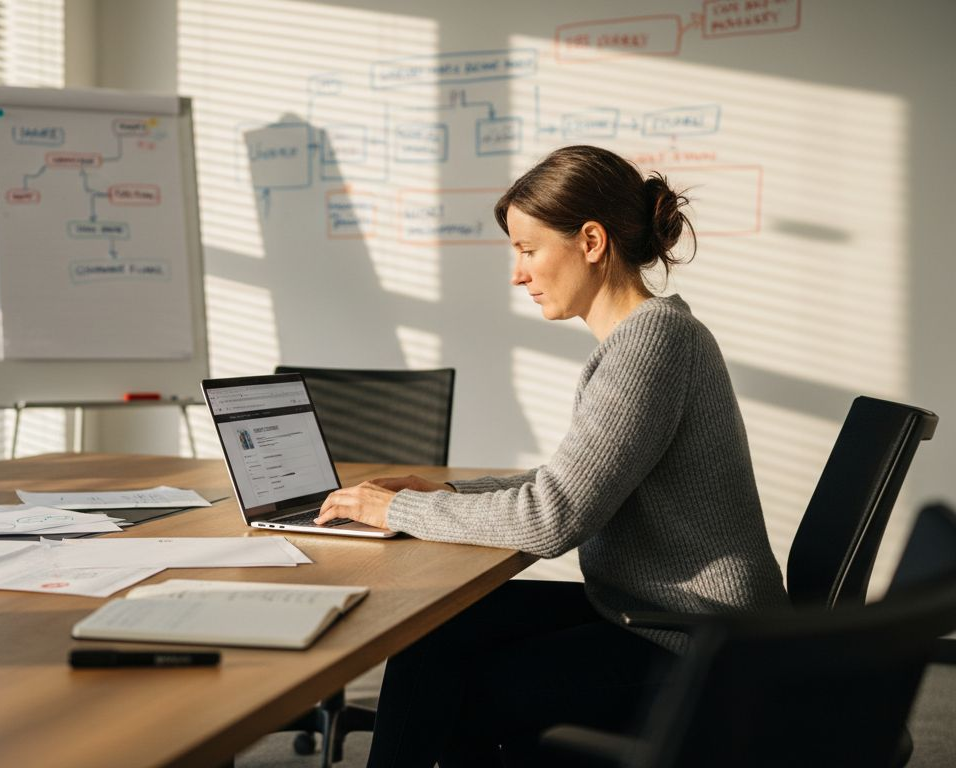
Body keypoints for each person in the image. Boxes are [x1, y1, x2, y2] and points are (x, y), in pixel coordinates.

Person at [313, 145, 789, 766]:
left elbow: (551, 519)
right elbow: (567, 483)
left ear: (591, 241)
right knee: (431, 633)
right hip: (648, 612)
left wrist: (398, 510)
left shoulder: (653, 345)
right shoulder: (647, 337)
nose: (518, 274)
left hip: (695, 637)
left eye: (527, 250)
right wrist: (447, 495)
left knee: (462, 689)